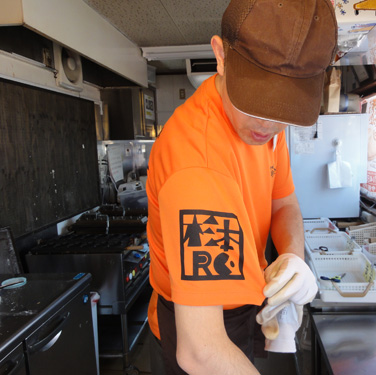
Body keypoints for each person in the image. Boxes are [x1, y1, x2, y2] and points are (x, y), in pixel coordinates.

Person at [145, 0, 338, 373]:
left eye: (284, 111)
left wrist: (292, 256)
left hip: (242, 306)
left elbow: (284, 204)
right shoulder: (196, 162)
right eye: (258, 101)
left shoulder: (268, 131)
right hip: (196, 326)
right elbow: (201, 351)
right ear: (221, 55)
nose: (267, 125)